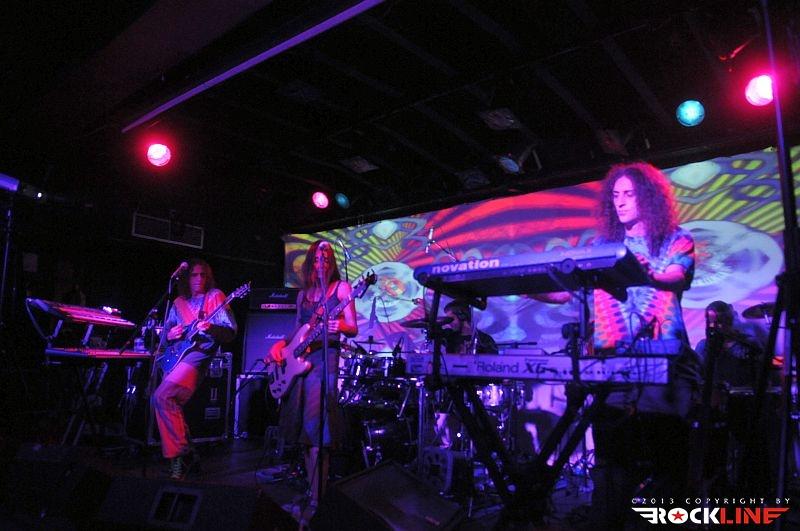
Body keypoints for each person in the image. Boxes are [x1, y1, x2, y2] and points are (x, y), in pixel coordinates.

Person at [537, 162, 697, 528]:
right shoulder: (602, 248)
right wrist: (523, 283)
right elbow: (564, 294)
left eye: (629, 194)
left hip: (663, 363)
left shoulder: (675, 238)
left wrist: (649, 273)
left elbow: (675, 275)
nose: (620, 201)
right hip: (611, 366)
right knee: (611, 468)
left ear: (648, 197)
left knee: (666, 467)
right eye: (615, 195)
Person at [268, 240, 357, 518]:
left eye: (327, 258)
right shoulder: (303, 295)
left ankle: (318, 502)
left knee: (318, 430)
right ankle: (312, 492)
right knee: (305, 434)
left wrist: (339, 324)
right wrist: (281, 345)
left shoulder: (341, 289)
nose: (322, 262)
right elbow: (298, 329)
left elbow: (352, 327)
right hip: (300, 364)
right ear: (311, 263)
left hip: (324, 361)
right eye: (318, 258)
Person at [152, 259, 237, 480]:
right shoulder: (179, 303)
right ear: (186, 279)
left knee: (163, 396)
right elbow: (165, 336)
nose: (199, 279)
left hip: (199, 355)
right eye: (194, 275)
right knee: (170, 404)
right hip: (177, 356)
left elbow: (230, 332)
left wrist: (211, 327)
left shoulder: (215, 296)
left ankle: (178, 460)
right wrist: (170, 335)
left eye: (203, 275)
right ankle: (190, 457)